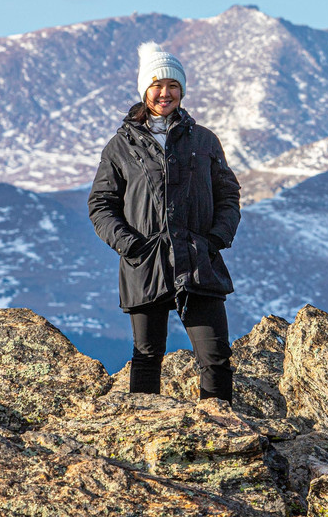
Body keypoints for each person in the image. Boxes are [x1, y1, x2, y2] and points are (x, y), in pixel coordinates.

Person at [88, 41, 240, 403]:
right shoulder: (120, 146)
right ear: (144, 90)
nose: (165, 93)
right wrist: (129, 245)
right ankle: (142, 433)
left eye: (173, 86)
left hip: (197, 259)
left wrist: (216, 238)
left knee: (215, 358)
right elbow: (100, 203)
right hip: (145, 262)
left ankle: (221, 431)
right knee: (147, 355)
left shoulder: (203, 140)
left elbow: (228, 194)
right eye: (157, 85)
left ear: (182, 91)